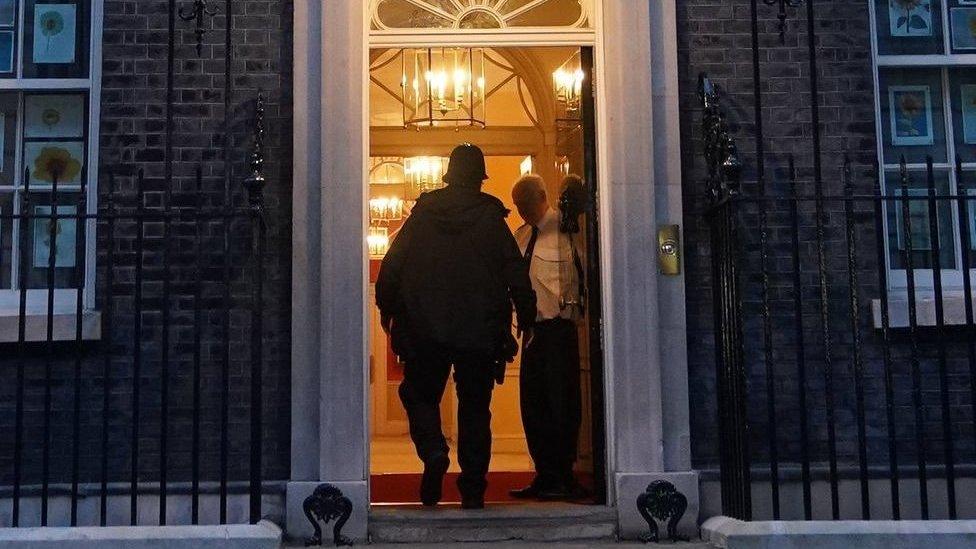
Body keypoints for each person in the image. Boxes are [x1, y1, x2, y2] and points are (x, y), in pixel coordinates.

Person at [375, 143, 537, 510]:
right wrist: (526, 320)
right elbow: (516, 274)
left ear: (448, 176)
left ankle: (433, 450)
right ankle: (473, 489)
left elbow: (391, 267)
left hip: (424, 329)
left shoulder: (422, 216)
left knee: (419, 396)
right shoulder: (491, 219)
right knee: (476, 408)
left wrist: (388, 310)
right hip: (480, 332)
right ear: (479, 179)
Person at [509, 173, 586, 501]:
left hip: (559, 330)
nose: (521, 210)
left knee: (562, 404)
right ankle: (544, 473)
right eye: (517, 206)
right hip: (531, 332)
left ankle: (565, 474)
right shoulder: (521, 236)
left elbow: (583, 277)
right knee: (533, 406)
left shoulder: (569, 233)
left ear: (540, 196)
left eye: (524, 203)